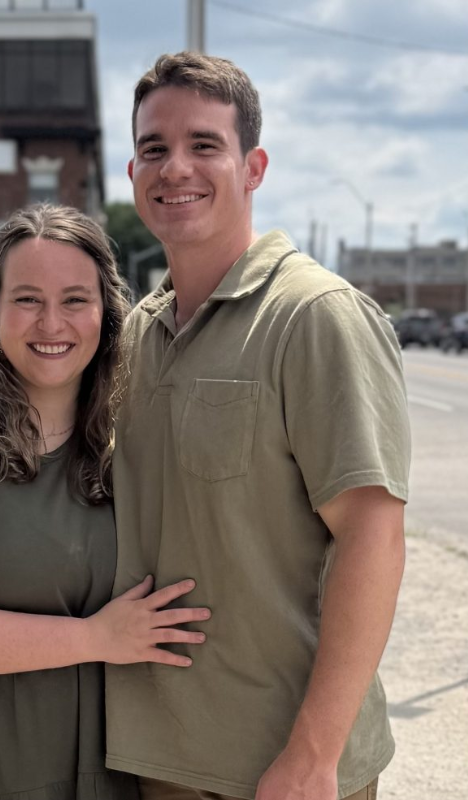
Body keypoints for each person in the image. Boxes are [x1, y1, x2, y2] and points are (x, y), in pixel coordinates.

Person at [105, 53, 410, 800]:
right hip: (158, 756)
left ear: (254, 167)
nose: (176, 167)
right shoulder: (138, 336)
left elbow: (374, 537)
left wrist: (313, 756)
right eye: (155, 149)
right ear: (133, 171)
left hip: (279, 768)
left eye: (205, 144)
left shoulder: (315, 317)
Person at [0, 203, 210, 800]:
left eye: (75, 299)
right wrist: (95, 638)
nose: (52, 323)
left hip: (119, 772)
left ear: (106, 313)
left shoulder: (131, 446)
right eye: (26, 299)